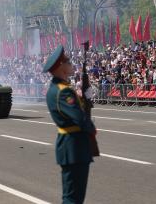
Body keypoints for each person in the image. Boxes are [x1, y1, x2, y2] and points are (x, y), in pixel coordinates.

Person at [44, 45, 96, 204]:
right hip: (74, 146)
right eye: (67, 61)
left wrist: (84, 98)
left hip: (73, 146)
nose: (71, 63)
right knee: (72, 199)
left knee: (75, 197)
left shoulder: (60, 89)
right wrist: (91, 127)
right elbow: (79, 118)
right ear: (61, 67)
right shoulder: (63, 91)